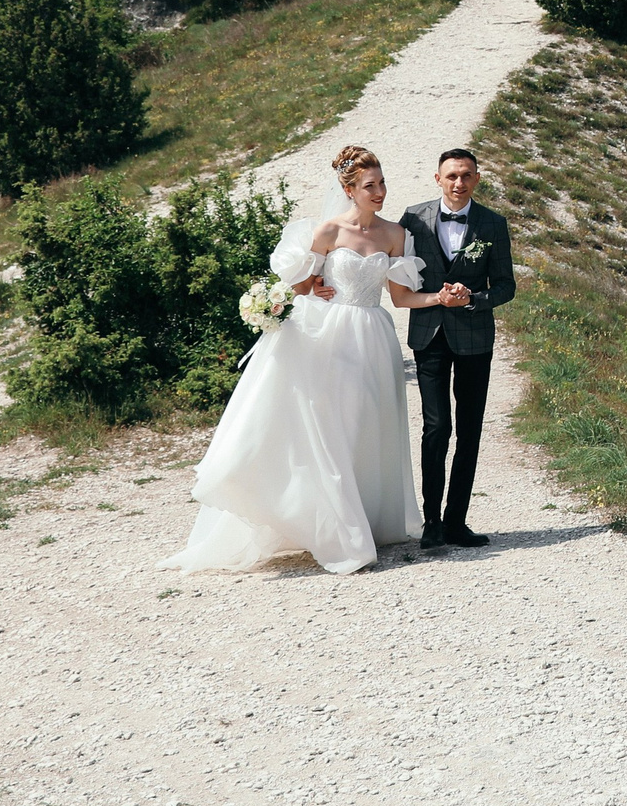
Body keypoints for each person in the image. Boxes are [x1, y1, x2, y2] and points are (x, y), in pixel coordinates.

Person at [158, 145, 443, 575]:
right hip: (331, 339)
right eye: (370, 186)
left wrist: (441, 297)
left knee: (366, 429)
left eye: (382, 183)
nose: (380, 192)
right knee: (331, 430)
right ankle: (339, 532)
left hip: (375, 338)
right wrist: (307, 290)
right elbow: (298, 285)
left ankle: (363, 518)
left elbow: (401, 298)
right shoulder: (328, 231)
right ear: (349, 190)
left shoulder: (395, 235)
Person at [398, 148, 516, 549]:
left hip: (475, 339)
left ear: (477, 179)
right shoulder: (412, 219)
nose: (458, 183)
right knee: (437, 428)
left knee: (469, 430)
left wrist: (473, 298)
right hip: (429, 335)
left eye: (466, 175)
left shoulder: (492, 223)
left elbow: (506, 285)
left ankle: (456, 522)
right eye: (451, 176)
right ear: (437, 178)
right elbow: (388, 263)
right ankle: (431, 524)